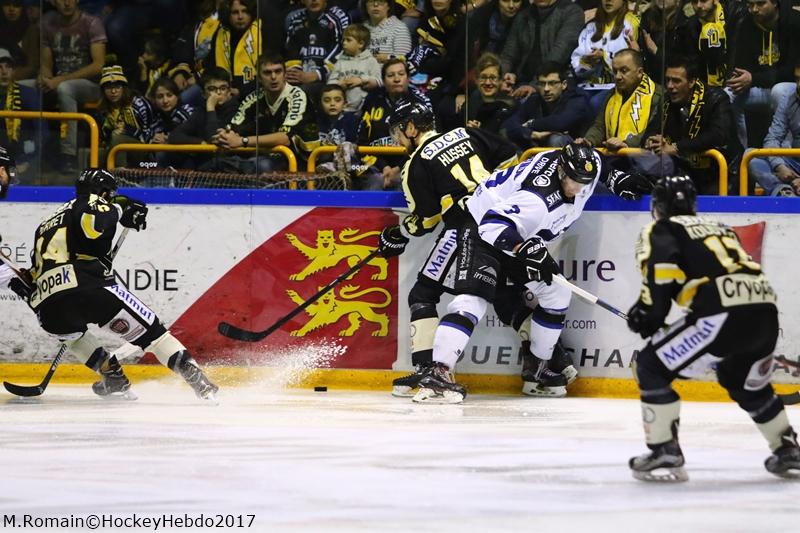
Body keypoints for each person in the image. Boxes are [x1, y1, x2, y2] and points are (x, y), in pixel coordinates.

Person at [380, 117, 653, 402]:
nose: (577, 188)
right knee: (473, 298)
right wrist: (525, 249)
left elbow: (596, 162)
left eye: (584, 182)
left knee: (556, 292)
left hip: (519, 231)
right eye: (572, 180)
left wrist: (615, 178)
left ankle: (539, 366)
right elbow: (492, 225)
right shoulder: (536, 201)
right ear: (561, 170)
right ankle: (439, 372)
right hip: (482, 226)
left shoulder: (584, 168)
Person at [626, 175, 799, 481]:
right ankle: (788, 449)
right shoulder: (718, 227)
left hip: (721, 313)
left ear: (657, 207)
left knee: (650, 365)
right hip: (765, 312)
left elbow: (661, 275)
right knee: (741, 379)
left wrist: (647, 314)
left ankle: (664, 448)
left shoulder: (662, 228)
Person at [10, 169, 219, 401]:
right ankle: (198, 381)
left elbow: (37, 268)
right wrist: (120, 209)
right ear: (102, 192)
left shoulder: (46, 223)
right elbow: (94, 226)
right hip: (89, 288)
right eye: (109, 195)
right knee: (154, 335)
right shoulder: (92, 202)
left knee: (73, 337)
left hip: (49, 308)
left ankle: (113, 378)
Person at [643, 56, 741, 195]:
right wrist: (653, 141)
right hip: (688, 172)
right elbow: (650, 131)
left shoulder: (716, 98)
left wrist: (676, 147)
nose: (670, 86)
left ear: (691, 82)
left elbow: (718, 135)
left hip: (721, 173)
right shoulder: (666, 101)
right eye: (667, 80)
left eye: (676, 81)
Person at [214, 53, 319, 172]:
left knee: (260, 165)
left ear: (284, 74)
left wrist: (243, 141)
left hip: (301, 162)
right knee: (217, 162)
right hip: (268, 155)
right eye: (267, 73)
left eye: (278, 71)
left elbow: (284, 138)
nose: (273, 77)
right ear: (259, 77)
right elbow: (234, 127)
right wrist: (224, 136)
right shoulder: (254, 98)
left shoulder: (297, 96)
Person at [35, 0, 107, 172]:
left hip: (91, 86)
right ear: (54, 2)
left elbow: (98, 66)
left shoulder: (91, 23)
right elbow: (46, 64)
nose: (67, 3)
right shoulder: (48, 24)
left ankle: (68, 155)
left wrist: (60, 80)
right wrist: (43, 77)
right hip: (59, 81)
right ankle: (24, 149)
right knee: (19, 87)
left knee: (65, 89)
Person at [726, 0, 800, 147]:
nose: (754, 9)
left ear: (774, 3)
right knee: (728, 94)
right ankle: (740, 150)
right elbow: (741, 65)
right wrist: (739, 78)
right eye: (750, 4)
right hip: (760, 88)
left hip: (789, 88)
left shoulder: (794, 22)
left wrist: (753, 78)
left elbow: (793, 71)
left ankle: (787, 149)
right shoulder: (745, 23)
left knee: (779, 90)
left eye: (760, 4)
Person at [500, 0, 583, 101]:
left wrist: (535, 85)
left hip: (555, 83)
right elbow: (508, 55)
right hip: (521, 80)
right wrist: (502, 78)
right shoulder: (523, 15)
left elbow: (559, 54)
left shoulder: (572, 12)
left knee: (526, 103)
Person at [502, 61, 591, 150]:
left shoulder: (577, 98)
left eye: (552, 83)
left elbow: (560, 122)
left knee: (555, 139)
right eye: (542, 83)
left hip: (575, 149)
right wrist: (531, 134)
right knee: (512, 136)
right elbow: (509, 124)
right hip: (538, 146)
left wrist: (530, 124)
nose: (546, 89)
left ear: (564, 84)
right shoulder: (534, 99)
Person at [747, 70, 800, 196]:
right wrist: (779, 166)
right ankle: (784, 192)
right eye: (798, 79)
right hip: (795, 163)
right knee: (750, 155)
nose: (799, 85)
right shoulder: (790, 99)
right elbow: (773, 138)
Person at [327, 24, 382, 112]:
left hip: (365, 109)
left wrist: (361, 80)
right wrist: (339, 84)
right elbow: (330, 83)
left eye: (348, 40)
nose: (344, 43)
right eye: (343, 40)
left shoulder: (370, 61)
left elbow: (379, 81)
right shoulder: (340, 61)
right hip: (342, 109)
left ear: (360, 44)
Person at [362, 0, 412, 64]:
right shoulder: (361, 29)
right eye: (371, 1)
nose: (375, 4)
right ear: (365, 6)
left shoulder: (399, 28)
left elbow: (405, 60)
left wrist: (387, 58)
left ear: (388, 6)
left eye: (381, 1)